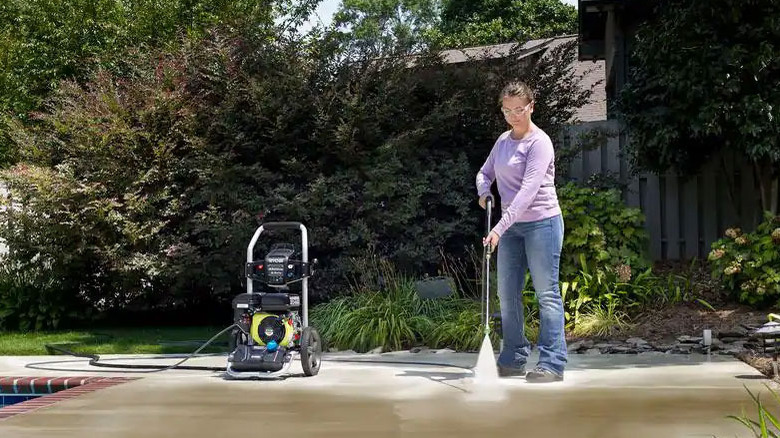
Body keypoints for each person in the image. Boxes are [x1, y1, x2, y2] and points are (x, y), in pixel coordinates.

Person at [475, 81, 566, 383]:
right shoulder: (502, 142)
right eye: (507, 110)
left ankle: (552, 363)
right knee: (507, 293)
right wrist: (484, 192)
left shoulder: (539, 143)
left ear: (531, 107)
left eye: (519, 109)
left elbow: (527, 193)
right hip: (510, 228)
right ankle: (514, 358)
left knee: (547, 293)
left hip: (542, 223)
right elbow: (484, 173)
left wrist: (498, 229)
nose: (514, 116)